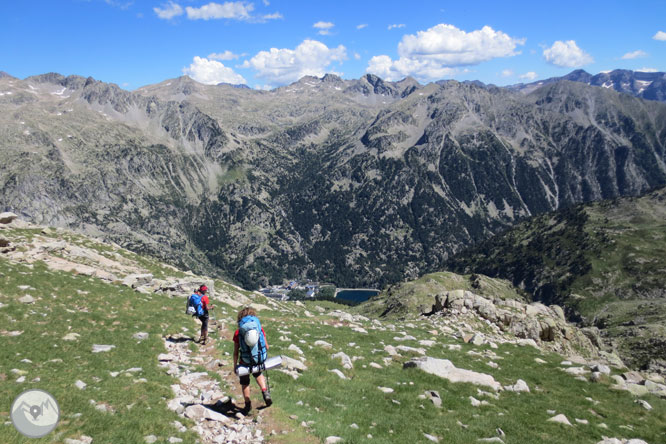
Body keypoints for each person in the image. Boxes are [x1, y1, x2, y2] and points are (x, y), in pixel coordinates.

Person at [233, 307, 272, 413]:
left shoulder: (238, 332)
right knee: (258, 374)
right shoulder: (259, 329)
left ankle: (247, 404)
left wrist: (235, 366)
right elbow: (266, 346)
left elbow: (236, 352)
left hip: (245, 361)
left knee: (245, 382)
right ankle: (265, 392)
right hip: (258, 359)